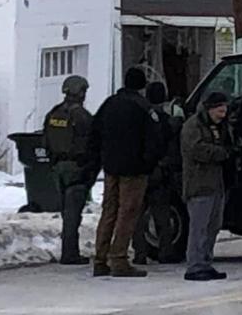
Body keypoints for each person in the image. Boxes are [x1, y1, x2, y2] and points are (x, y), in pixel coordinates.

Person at [90, 67, 161, 278]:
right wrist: (148, 163)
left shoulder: (109, 104)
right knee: (127, 213)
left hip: (111, 167)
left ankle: (100, 258)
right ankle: (119, 258)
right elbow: (154, 139)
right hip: (134, 169)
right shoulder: (143, 107)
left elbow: (94, 133)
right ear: (141, 85)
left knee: (109, 211)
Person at [181, 91, 242, 282]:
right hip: (200, 184)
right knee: (199, 227)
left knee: (213, 226)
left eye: (224, 109)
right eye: (219, 109)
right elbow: (197, 150)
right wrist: (223, 153)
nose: (222, 113)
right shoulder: (193, 126)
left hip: (218, 183)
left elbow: (232, 143)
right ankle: (194, 265)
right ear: (209, 109)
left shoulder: (223, 127)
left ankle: (205, 262)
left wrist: (237, 149)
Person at [42, 75, 97, 265]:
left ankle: (69, 250)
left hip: (58, 167)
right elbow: (93, 143)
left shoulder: (53, 114)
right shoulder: (82, 116)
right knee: (73, 214)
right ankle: (70, 253)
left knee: (67, 213)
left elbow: (45, 141)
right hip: (76, 168)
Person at [133, 81, 175, 265]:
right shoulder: (167, 121)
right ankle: (165, 252)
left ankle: (139, 253)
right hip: (160, 171)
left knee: (138, 215)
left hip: (141, 171)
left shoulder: (140, 118)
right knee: (162, 215)